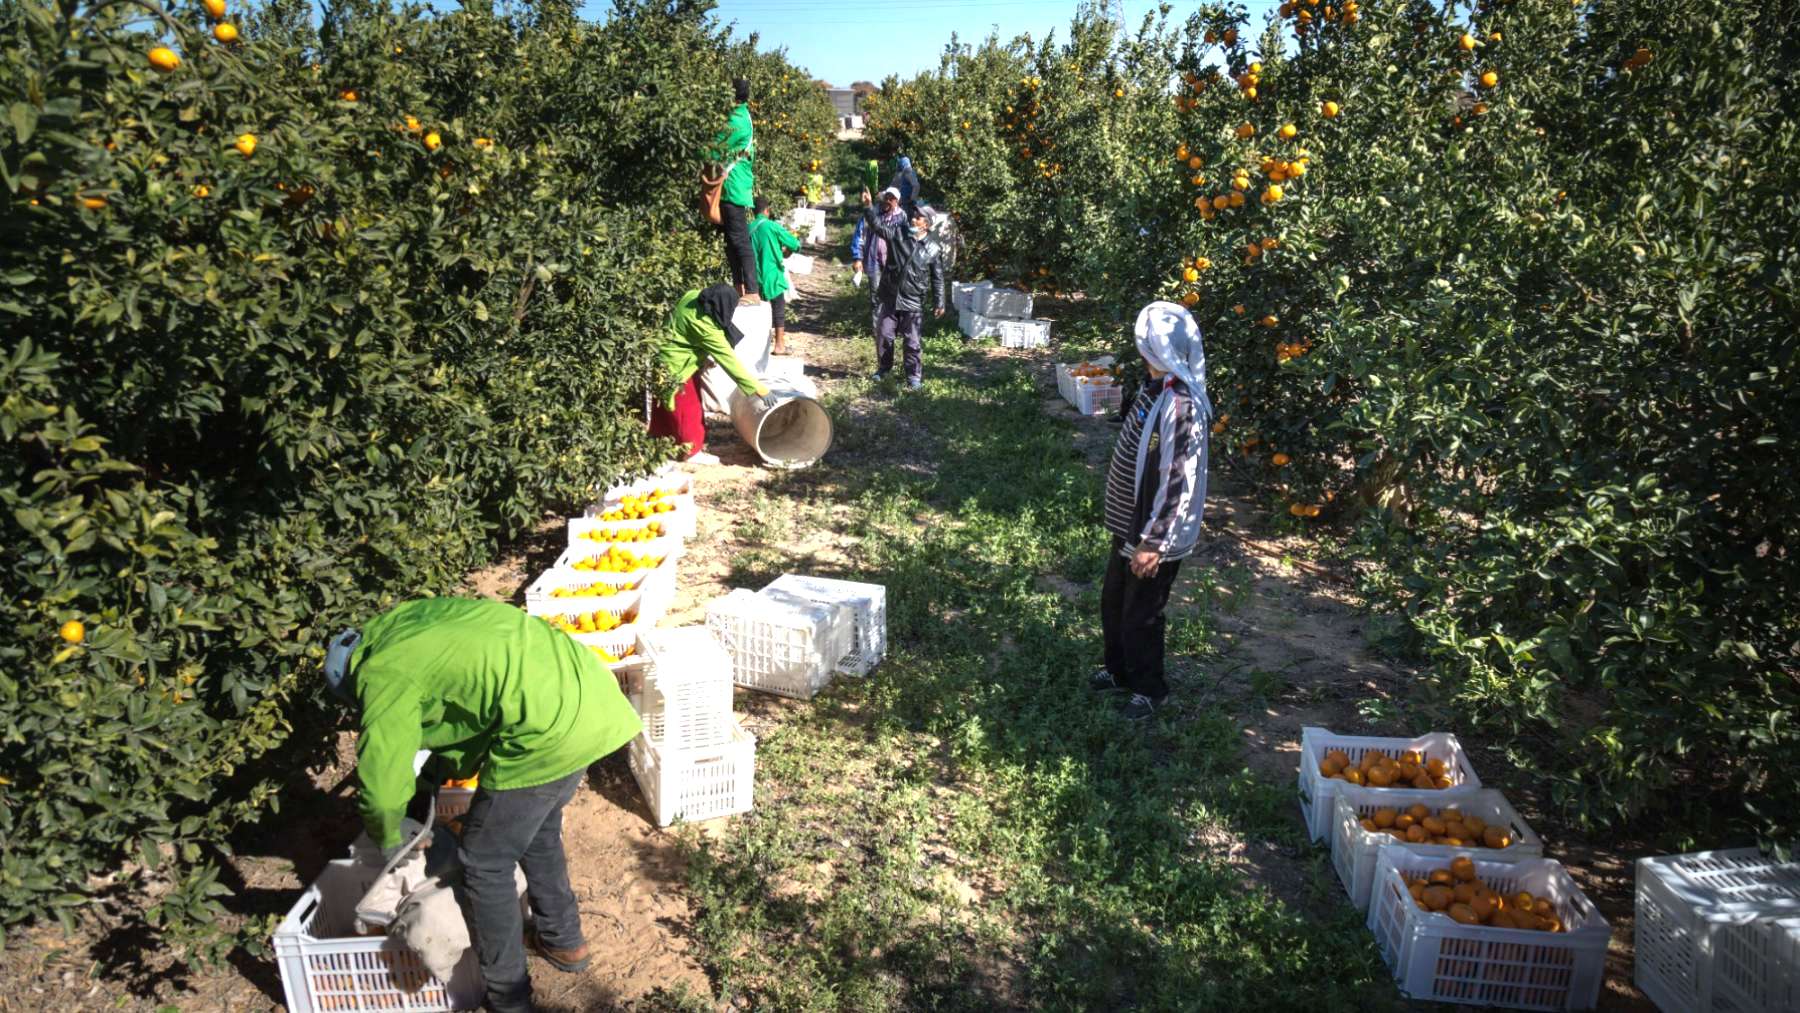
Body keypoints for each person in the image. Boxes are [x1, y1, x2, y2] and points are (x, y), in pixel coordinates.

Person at [323, 598, 642, 1013]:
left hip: (549, 726)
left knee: (485, 860)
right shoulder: (409, 623)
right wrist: (435, 774)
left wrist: (387, 836)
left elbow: (382, 781)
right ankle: (563, 940)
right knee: (538, 827)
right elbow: (466, 703)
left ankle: (508, 997)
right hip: (589, 693)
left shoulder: (381, 673)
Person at [1090, 301, 1212, 721]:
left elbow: (1177, 478)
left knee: (1141, 614)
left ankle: (1149, 689)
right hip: (1131, 524)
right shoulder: (1156, 388)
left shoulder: (1180, 404)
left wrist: (1155, 543)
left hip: (1151, 533)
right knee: (1114, 602)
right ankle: (1119, 670)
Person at [651, 284, 771, 465]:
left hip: (663, 359)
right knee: (687, 409)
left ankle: (661, 442)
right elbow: (730, 362)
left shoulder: (693, 296)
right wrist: (759, 389)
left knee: (664, 408)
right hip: (676, 367)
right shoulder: (706, 329)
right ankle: (691, 451)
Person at [860, 188, 947, 390]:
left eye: (918, 217)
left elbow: (937, 278)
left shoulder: (933, 249)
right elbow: (878, 227)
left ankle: (914, 378)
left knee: (912, 342)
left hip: (913, 300)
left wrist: (940, 302)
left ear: (927, 224)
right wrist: (868, 207)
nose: (913, 218)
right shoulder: (899, 234)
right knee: (884, 335)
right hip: (891, 295)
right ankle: (884, 369)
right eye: (913, 215)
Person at [710, 78, 760, 303]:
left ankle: (752, 291)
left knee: (740, 240)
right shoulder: (740, 115)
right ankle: (740, 288)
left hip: (733, 188)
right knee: (731, 241)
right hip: (733, 188)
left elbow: (714, 149)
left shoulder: (736, 120)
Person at [749, 196, 802, 355]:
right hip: (773, 275)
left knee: (758, 312)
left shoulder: (748, 228)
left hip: (753, 277)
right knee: (778, 310)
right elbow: (795, 244)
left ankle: (759, 346)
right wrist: (786, 251)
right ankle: (779, 345)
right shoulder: (772, 226)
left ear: (753, 211)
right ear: (767, 210)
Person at [854, 186, 906, 332]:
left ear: (897, 201)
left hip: (893, 262)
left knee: (894, 295)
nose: (887, 201)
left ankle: (892, 328)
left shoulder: (902, 217)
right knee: (876, 295)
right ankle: (878, 331)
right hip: (874, 260)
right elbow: (860, 235)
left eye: (891, 198)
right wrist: (858, 257)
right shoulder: (872, 213)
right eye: (886, 197)